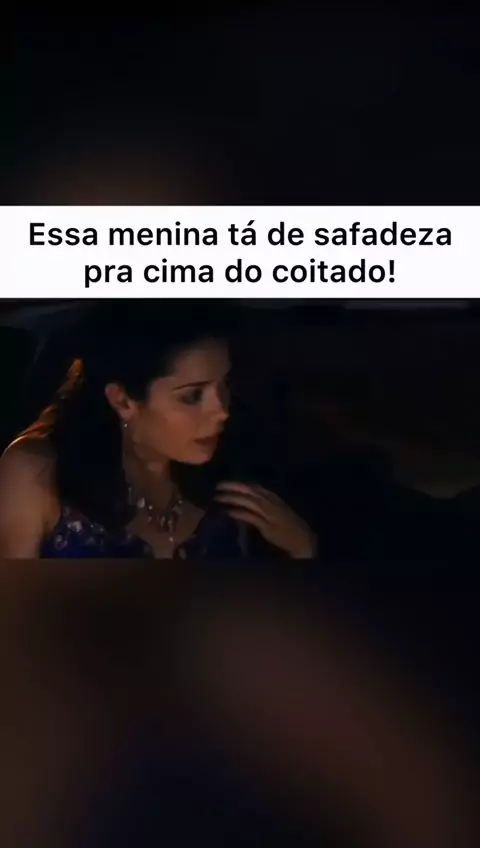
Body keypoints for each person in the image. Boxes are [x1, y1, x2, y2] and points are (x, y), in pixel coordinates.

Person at [0, 302, 316, 560]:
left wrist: (303, 551)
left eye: (224, 385)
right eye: (192, 396)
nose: (222, 410)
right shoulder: (37, 471)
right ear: (123, 400)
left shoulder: (224, 475)